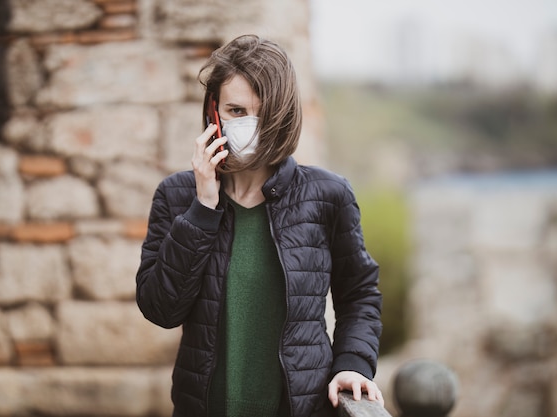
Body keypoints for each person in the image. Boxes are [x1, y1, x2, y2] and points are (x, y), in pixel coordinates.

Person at [135, 34, 383, 417]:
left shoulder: (328, 195)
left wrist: (353, 362)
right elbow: (161, 310)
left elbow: (360, 293)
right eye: (236, 111)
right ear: (213, 112)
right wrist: (203, 207)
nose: (249, 125)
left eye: (262, 112)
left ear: (283, 114)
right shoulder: (176, 195)